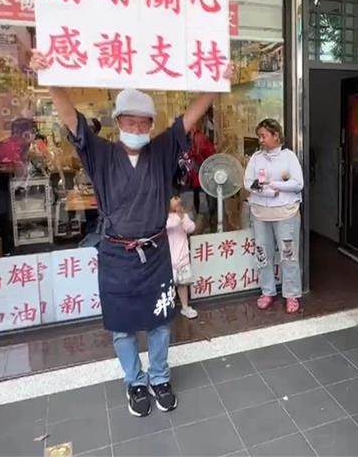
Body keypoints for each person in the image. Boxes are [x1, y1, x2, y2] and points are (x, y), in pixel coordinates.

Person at [28, 50, 228, 419]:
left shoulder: (163, 149)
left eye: (143, 124)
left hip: (155, 253)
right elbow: (71, 119)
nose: (137, 130)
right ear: (118, 121)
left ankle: (159, 377)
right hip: (116, 255)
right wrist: (51, 78)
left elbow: (191, 116)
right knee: (122, 330)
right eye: (130, 123)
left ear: (151, 125)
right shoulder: (100, 154)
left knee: (160, 322)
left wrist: (216, 82)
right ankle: (134, 383)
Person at [244, 118, 305, 313]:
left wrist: (274, 184)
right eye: (259, 136)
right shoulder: (256, 158)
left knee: (288, 254)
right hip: (261, 213)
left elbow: (298, 183)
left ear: (276, 135)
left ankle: (291, 294)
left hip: (286, 212)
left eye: (264, 135)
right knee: (263, 253)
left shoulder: (289, 157)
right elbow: (248, 183)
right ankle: (267, 290)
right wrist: (268, 191)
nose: (260, 140)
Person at [166, 194, 198, 319]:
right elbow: (168, 226)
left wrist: (183, 217)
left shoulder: (183, 217)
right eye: (174, 200)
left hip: (182, 256)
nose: (177, 202)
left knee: (182, 284)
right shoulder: (164, 218)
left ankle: (185, 307)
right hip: (168, 258)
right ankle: (168, 307)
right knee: (168, 285)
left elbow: (191, 228)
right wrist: (178, 218)